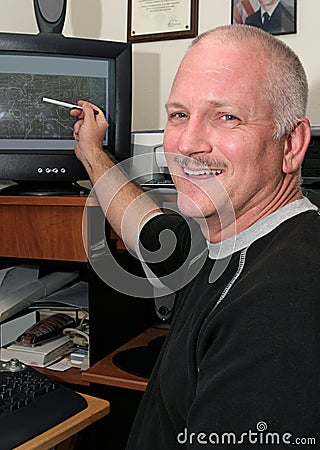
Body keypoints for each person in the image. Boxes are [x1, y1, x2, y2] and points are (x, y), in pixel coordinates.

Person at [71, 24, 320, 449]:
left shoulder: (287, 301)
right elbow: (145, 227)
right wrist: (92, 151)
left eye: (227, 117)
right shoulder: (227, 237)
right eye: (179, 115)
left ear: (292, 143)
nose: (186, 144)